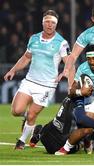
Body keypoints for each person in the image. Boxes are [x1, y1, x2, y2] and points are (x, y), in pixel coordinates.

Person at [4, 10, 71, 150]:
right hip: (30, 81)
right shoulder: (34, 38)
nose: (50, 25)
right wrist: (13, 70)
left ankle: (21, 141)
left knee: (32, 114)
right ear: (42, 22)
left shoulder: (61, 43)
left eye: (53, 22)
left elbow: (69, 62)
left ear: (56, 25)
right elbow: (26, 57)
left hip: (47, 86)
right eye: (47, 21)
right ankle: (33, 127)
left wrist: (65, 72)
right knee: (16, 111)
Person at [29, 95, 94, 154]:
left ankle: (39, 134)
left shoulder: (68, 98)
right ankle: (78, 145)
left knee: (57, 122)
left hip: (45, 136)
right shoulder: (79, 101)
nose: (91, 90)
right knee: (88, 128)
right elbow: (82, 120)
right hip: (59, 145)